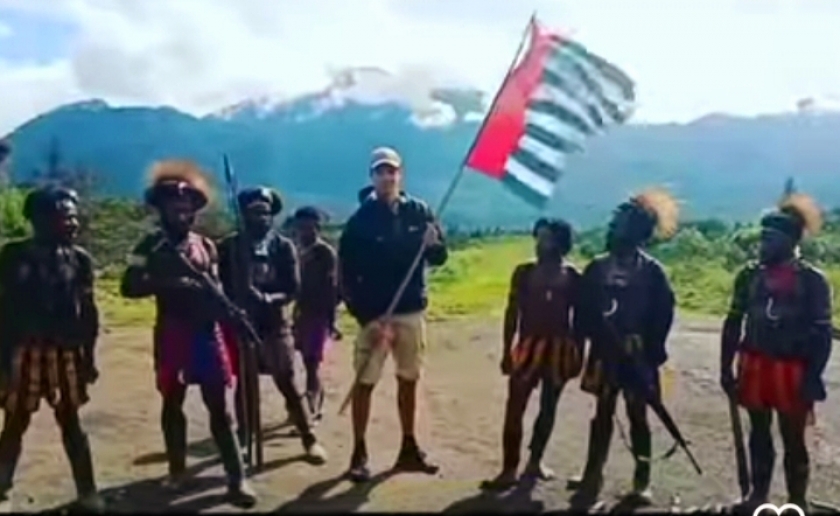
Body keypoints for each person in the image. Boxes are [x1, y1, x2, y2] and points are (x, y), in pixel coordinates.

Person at [119, 160, 256, 507]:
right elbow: (128, 286)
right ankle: (177, 472)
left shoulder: (206, 247)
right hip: (172, 333)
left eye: (189, 208)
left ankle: (236, 479)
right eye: (176, 207)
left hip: (207, 333)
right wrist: (168, 283)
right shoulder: (148, 246)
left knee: (220, 409)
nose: (184, 213)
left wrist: (233, 317)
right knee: (172, 402)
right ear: (162, 209)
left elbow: (219, 291)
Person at [339, 147, 448, 482]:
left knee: (409, 379)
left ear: (400, 175)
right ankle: (358, 453)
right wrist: (362, 315)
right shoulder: (360, 222)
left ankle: (408, 448)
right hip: (375, 316)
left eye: (392, 171)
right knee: (365, 383)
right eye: (380, 172)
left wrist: (432, 243)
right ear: (372, 178)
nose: (387, 177)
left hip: (411, 310)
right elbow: (344, 273)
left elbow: (440, 257)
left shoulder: (421, 211)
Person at [720, 193, 832, 512]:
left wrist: (813, 377)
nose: (762, 246)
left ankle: (797, 502)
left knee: (793, 439)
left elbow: (822, 333)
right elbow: (733, 322)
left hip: (792, 368)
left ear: (788, 242)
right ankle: (758, 496)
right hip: (754, 362)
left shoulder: (812, 281)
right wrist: (726, 368)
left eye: (769, 239)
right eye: (762, 238)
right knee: (758, 432)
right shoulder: (749, 276)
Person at [569, 188, 679, 508]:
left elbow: (663, 313)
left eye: (619, 224)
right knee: (602, 413)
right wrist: (584, 341)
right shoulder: (597, 268)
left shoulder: (652, 272)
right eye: (613, 223)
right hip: (605, 355)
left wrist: (649, 347)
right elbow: (583, 310)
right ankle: (593, 475)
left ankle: (641, 480)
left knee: (637, 415)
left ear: (637, 233)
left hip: (637, 357)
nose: (612, 228)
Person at [0, 187, 103, 511]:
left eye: (74, 216)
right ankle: (1, 484)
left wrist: (89, 357)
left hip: (66, 351)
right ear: (39, 219)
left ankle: (88, 492)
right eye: (64, 216)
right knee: (15, 421)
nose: (72, 223)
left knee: (71, 421)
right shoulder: (13, 256)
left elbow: (89, 312)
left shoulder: (79, 259)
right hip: (24, 351)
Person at [217, 188, 327, 463]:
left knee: (287, 381)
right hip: (242, 324)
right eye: (254, 213)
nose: (261, 218)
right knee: (246, 383)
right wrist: (234, 304)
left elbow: (293, 288)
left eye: (266, 213)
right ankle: (244, 439)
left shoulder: (283, 247)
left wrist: (266, 298)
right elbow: (219, 285)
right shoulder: (228, 247)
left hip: (275, 325)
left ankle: (308, 438)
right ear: (243, 215)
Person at [481, 218, 583, 491]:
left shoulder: (572, 276)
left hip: (560, 347)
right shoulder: (524, 273)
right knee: (515, 407)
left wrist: (578, 354)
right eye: (537, 237)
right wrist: (506, 350)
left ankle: (535, 461)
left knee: (548, 408)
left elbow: (580, 321)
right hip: (528, 346)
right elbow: (512, 313)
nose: (539, 244)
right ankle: (509, 468)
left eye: (546, 238)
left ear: (561, 243)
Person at [291, 206, 339, 423]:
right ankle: (309, 403)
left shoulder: (324, 253)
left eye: (309, 227)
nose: (304, 231)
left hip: (319, 315)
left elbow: (331, 290)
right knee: (303, 361)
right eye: (301, 227)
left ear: (317, 228)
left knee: (312, 363)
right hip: (301, 314)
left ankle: (313, 408)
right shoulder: (295, 251)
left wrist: (331, 321)